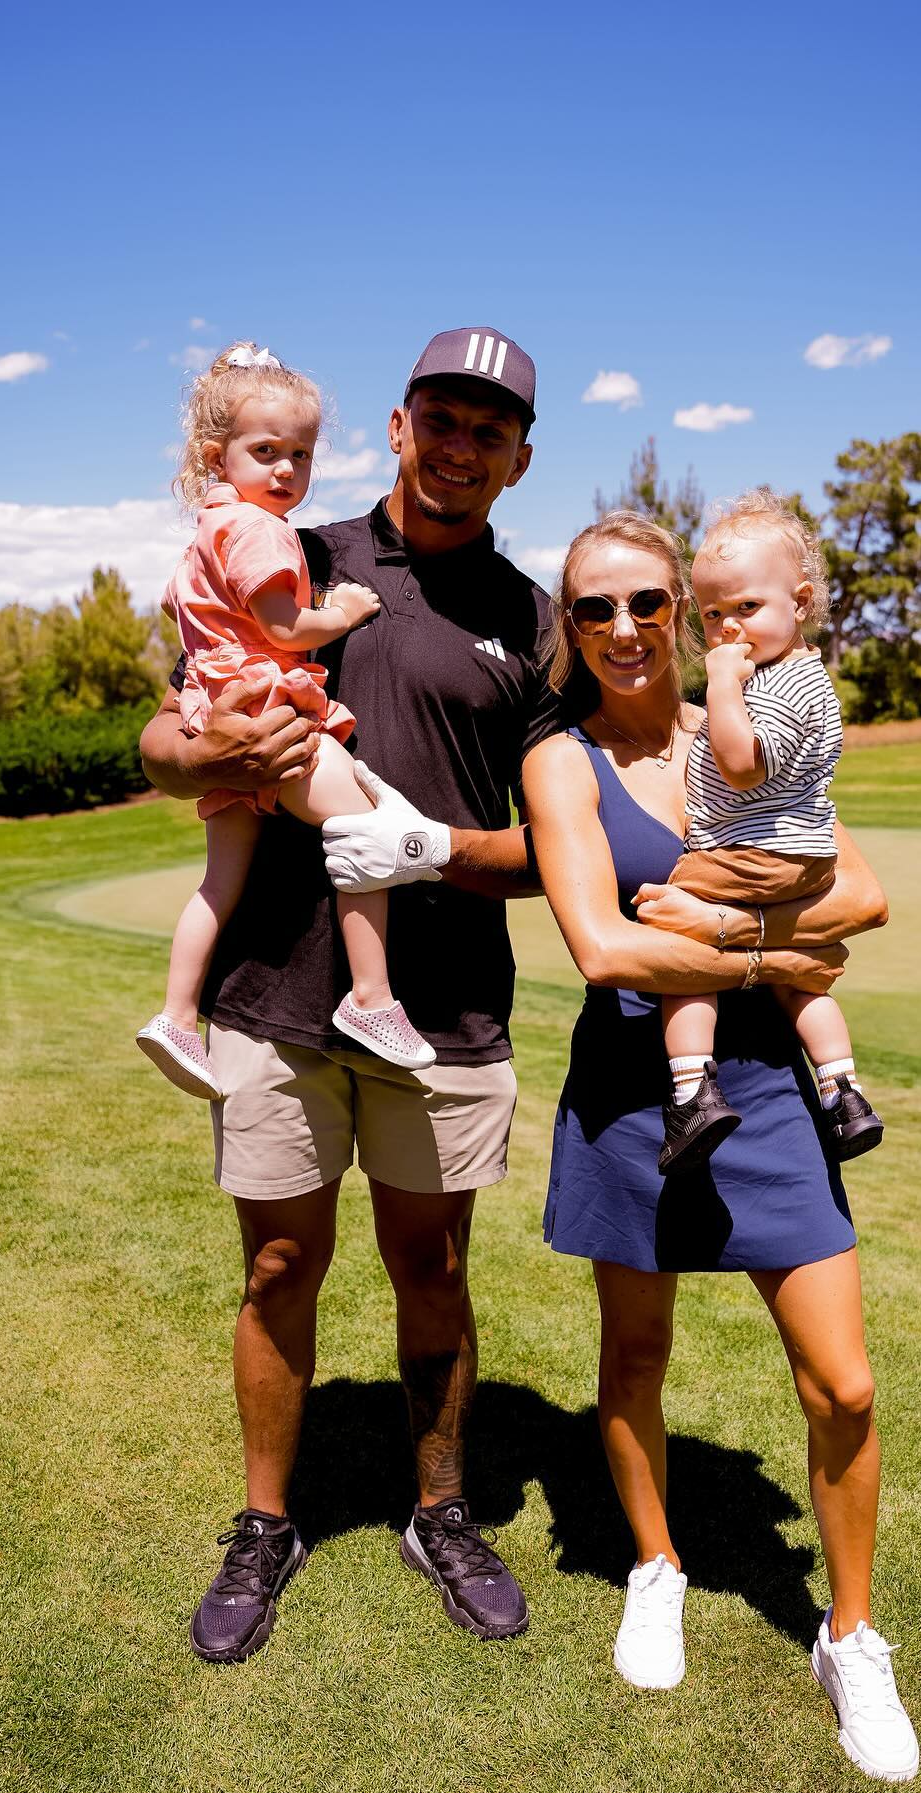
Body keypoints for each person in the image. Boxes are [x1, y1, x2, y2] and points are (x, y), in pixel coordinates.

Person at [139, 327, 556, 1660]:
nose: (462, 443)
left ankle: (442, 1510)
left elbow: (563, 847)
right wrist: (202, 742)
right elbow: (161, 736)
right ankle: (266, 1524)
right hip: (276, 996)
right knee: (277, 1267)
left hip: (444, 1009)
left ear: (519, 459)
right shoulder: (291, 547)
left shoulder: (536, 619)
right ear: (397, 424)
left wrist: (435, 846)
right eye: (443, 416)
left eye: (491, 430)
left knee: (430, 1266)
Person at [523, 511, 920, 1784]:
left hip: (765, 1085)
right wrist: (773, 950)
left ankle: (850, 1635)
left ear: (682, 615)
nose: (628, 629)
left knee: (845, 1382)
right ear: (570, 627)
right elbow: (604, 947)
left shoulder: (735, 732)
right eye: (597, 609)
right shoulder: (560, 760)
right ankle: (654, 1564)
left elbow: (862, 891)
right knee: (635, 1350)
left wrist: (739, 920)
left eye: (652, 602)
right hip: (635, 1094)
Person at [135, 342, 434, 1102]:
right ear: (216, 454)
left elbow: (192, 615)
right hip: (272, 711)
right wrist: (344, 610)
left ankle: (174, 1015)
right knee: (365, 834)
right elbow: (282, 628)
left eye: (299, 454)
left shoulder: (207, 529)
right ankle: (370, 999)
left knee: (217, 884)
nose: (284, 471)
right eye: (264, 451)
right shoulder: (263, 531)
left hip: (218, 713)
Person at [656, 489, 884, 1174]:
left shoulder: (780, 685)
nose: (730, 631)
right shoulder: (798, 675)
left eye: (748, 609)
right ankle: (842, 1089)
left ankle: (692, 1087)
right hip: (802, 856)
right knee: (803, 986)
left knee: (677, 942)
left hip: (757, 854)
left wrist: (721, 687)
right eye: (715, 614)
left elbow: (743, 764)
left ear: (802, 601)